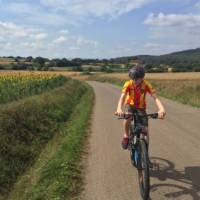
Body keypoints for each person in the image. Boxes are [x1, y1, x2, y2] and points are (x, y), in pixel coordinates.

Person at [115, 64, 166, 153]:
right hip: (130, 105)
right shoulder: (128, 84)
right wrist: (119, 108)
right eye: (133, 78)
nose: (135, 81)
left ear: (142, 77)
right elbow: (122, 97)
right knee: (128, 118)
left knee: (145, 129)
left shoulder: (146, 84)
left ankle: (145, 149)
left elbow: (155, 97)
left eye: (137, 78)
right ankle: (126, 136)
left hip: (141, 107)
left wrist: (161, 109)